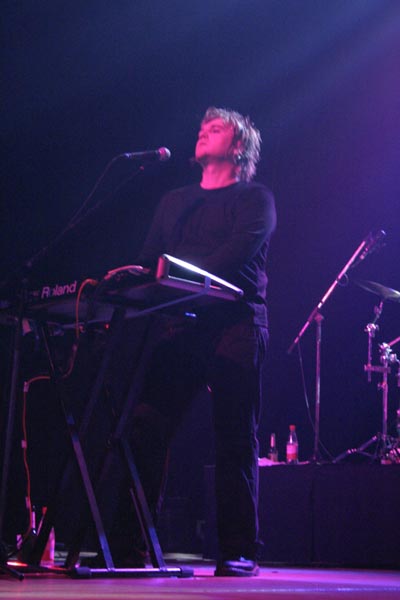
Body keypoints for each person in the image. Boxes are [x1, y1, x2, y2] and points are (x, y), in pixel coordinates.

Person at [126, 106, 277, 577]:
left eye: (216, 128)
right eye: (202, 127)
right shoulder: (175, 201)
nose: (203, 131)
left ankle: (239, 550)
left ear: (239, 146)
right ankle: (132, 545)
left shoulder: (255, 199)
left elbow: (232, 258)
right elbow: (149, 261)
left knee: (234, 436)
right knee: (146, 424)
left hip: (236, 324)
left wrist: (172, 275)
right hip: (182, 324)